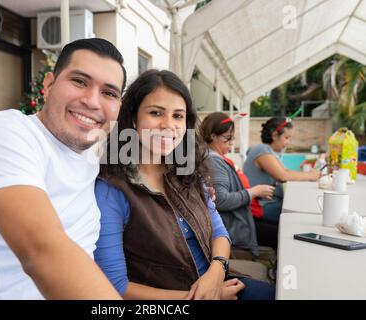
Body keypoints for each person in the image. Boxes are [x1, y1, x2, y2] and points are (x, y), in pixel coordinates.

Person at [0, 38, 126, 299]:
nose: (92, 101)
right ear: (48, 85)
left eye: (109, 93)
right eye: (79, 81)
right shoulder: (5, 132)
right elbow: (42, 250)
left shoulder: (90, 160)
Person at [94, 70, 275, 300]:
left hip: (220, 281)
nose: (168, 125)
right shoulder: (111, 190)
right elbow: (116, 286)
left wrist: (216, 272)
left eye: (178, 116)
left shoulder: (188, 173)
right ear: (132, 118)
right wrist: (204, 297)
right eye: (155, 112)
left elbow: (219, 232)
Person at [200, 112, 276, 253]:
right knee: (281, 234)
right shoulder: (213, 161)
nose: (232, 143)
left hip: (242, 220)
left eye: (232, 138)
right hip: (236, 228)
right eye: (228, 138)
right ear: (212, 136)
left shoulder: (216, 158)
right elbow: (220, 200)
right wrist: (254, 192)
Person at [243, 117, 321, 245]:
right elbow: (283, 175)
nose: (288, 142)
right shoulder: (261, 150)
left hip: (269, 204)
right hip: (262, 207)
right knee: (300, 221)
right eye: (286, 137)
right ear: (275, 135)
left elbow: (285, 172)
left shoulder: (269, 152)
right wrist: (310, 176)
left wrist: (304, 173)